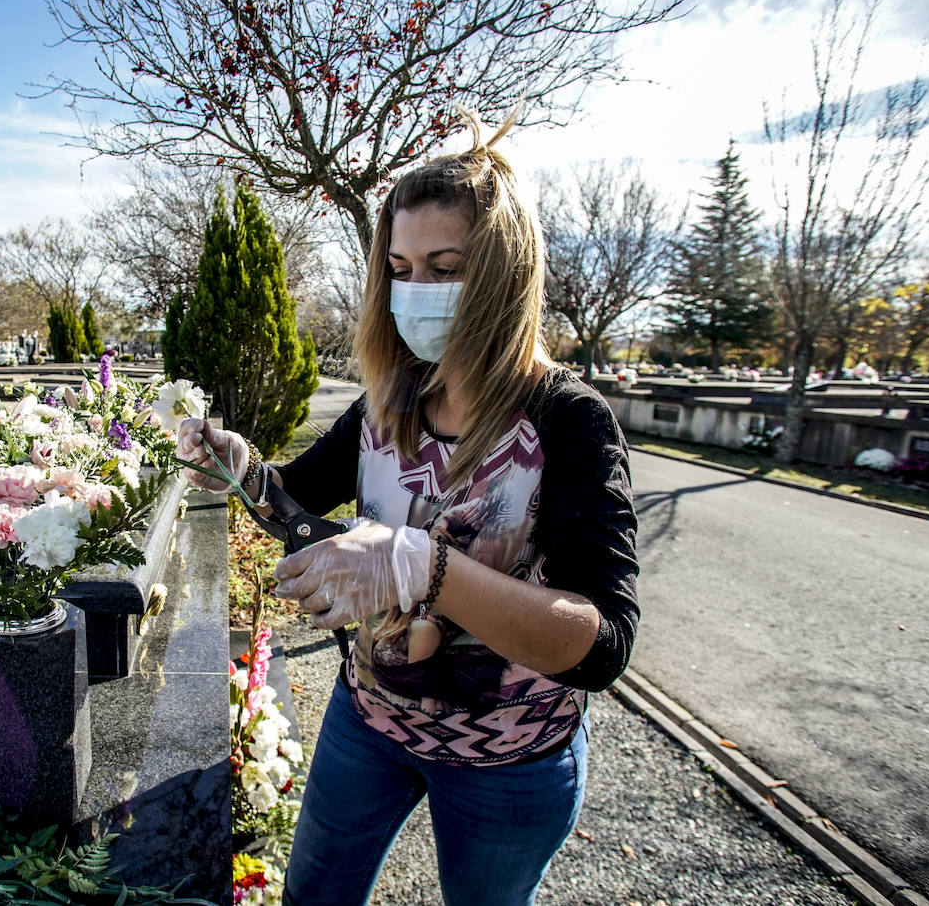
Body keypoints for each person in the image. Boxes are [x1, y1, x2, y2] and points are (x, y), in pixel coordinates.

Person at [178, 111, 639, 906]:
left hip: (511, 761)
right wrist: (241, 469)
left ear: (501, 276)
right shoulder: (385, 404)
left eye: (444, 266)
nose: (415, 292)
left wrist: (423, 565)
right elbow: (290, 502)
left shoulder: (568, 420)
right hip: (371, 725)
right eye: (399, 268)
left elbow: (602, 645)